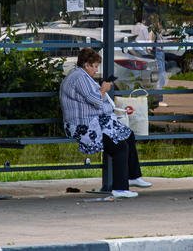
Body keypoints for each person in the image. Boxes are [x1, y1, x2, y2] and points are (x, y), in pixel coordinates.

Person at [60, 48, 152, 198]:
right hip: (84, 127)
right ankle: (120, 188)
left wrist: (103, 97)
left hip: (92, 122)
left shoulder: (82, 76)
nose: (97, 70)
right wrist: (103, 88)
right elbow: (97, 100)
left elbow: (96, 102)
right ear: (86, 64)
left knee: (128, 135)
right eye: (95, 66)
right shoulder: (79, 77)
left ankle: (133, 176)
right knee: (121, 147)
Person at [148, 15, 167, 107]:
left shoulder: (158, 33)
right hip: (157, 53)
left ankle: (160, 98)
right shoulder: (153, 32)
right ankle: (160, 99)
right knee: (160, 77)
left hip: (160, 53)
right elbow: (150, 45)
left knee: (162, 77)